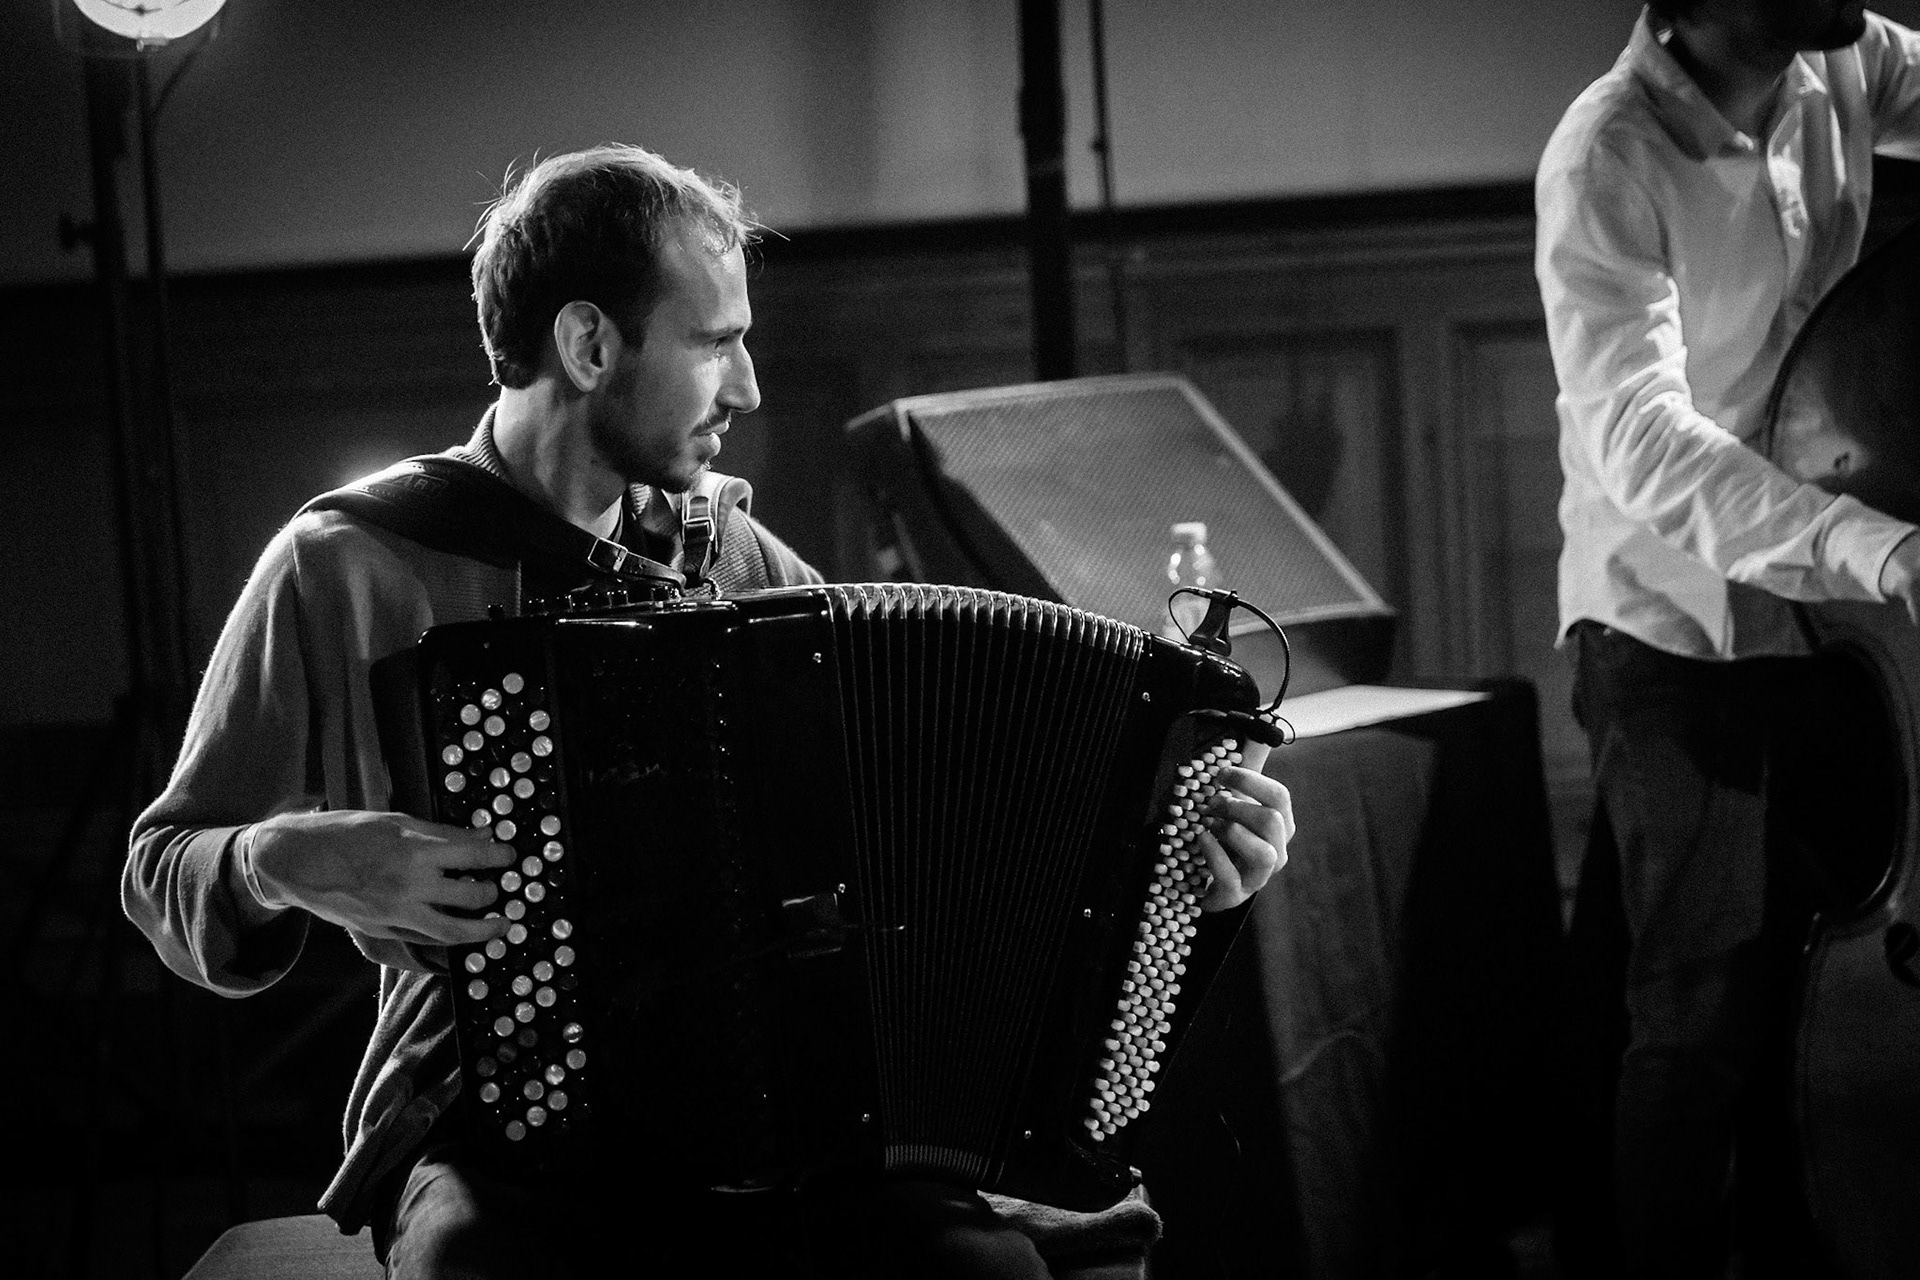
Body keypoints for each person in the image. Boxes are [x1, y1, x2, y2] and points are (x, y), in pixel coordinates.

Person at [122, 143, 1295, 1278]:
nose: (749, 385)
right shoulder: (351, 562)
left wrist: (1168, 867)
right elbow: (164, 863)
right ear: (587, 342)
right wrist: (277, 858)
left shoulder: (730, 553)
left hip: (790, 1110)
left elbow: (915, 842)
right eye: (717, 342)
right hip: (494, 1128)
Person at [1536, 2, 1920, 1275]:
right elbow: (1644, 441)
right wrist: (1879, 542)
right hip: (1673, 634)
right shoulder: (1607, 157)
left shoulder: (1849, 60)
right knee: (1699, 1024)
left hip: (1839, 628)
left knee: (1829, 986)